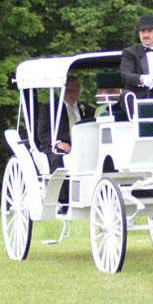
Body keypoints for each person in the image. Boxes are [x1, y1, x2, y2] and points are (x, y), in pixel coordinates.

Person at [38, 76, 95, 214]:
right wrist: (58, 143)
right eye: (68, 90)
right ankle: (63, 202)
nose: (71, 94)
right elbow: (43, 132)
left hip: (83, 147)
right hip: (56, 147)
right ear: (62, 90)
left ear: (79, 91)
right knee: (60, 159)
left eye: (75, 90)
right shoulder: (49, 108)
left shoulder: (87, 110)